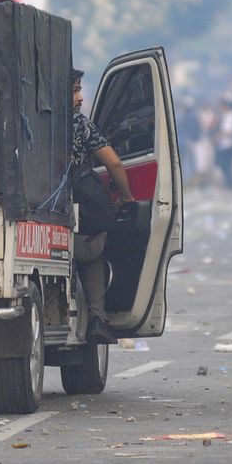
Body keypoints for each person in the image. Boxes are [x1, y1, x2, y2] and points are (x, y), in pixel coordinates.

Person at [70, 69, 135, 346]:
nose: (80, 98)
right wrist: (127, 198)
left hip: (36, 214)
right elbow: (115, 163)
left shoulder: (29, 123)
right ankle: (97, 318)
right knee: (92, 254)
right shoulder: (79, 125)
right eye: (74, 90)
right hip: (80, 215)